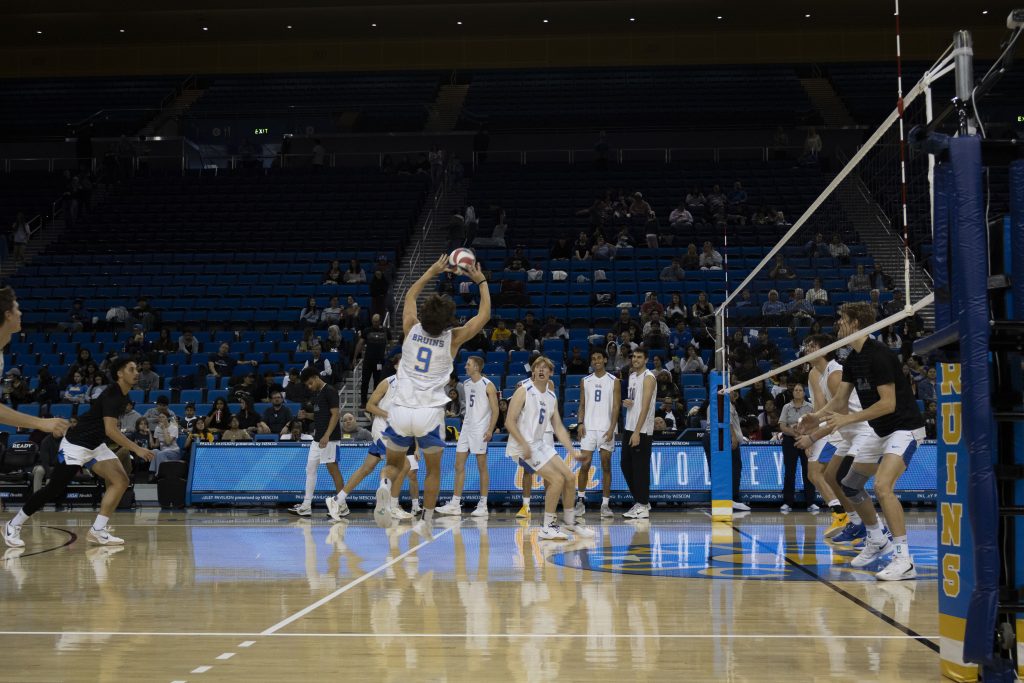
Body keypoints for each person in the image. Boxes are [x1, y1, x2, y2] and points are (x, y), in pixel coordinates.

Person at [802, 303, 926, 580]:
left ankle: (904, 558)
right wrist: (816, 417)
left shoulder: (880, 356)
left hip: (904, 428)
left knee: (882, 487)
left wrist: (846, 420)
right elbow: (840, 400)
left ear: (856, 323)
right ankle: (875, 538)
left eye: (841, 320)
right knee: (850, 484)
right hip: (879, 430)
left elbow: (888, 404)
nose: (838, 324)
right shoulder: (851, 359)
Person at [374, 253, 490, 529]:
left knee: (392, 464)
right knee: (433, 470)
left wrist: (431, 272)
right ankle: (426, 518)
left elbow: (409, 298)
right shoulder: (453, 339)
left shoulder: (411, 328)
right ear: (448, 321)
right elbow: (483, 316)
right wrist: (481, 280)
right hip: (429, 414)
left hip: (400, 410)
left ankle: (386, 490)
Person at [5, 357, 153, 549]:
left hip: (95, 445)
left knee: (121, 480)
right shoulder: (112, 395)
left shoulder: (124, 396)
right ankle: (13, 525)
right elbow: (111, 430)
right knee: (53, 489)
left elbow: (106, 430)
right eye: (132, 369)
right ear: (120, 373)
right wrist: (137, 449)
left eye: (137, 369)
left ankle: (97, 531)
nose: (137, 373)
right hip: (76, 444)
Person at [504, 356, 593, 540]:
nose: (541, 370)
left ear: (551, 373)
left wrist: (572, 452)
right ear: (534, 371)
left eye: (545, 368)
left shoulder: (551, 396)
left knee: (569, 477)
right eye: (538, 367)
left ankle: (569, 524)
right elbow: (509, 422)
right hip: (523, 444)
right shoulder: (524, 390)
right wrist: (522, 444)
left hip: (538, 443)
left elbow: (559, 427)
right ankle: (547, 526)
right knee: (556, 479)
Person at [794, 334, 869, 542]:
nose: (807, 348)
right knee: (829, 476)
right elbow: (824, 410)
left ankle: (876, 530)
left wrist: (812, 435)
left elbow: (839, 415)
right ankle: (855, 523)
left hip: (858, 430)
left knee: (847, 481)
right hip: (844, 431)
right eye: (807, 344)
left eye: (812, 345)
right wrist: (810, 422)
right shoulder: (819, 373)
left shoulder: (835, 374)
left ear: (824, 350)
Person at [332, 376, 413, 521]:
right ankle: (392, 505)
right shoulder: (388, 382)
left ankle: (336, 501)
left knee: (366, 469)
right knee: (404, 465)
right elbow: (369, 406)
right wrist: (389, 415)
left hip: (394, 432)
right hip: (383, 429)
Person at [437, 356, 498, 517]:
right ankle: (455, 504)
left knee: (481, 467)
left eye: (468, 364)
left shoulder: (488, 385)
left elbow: (496, 410)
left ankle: (483, 505)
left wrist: (490, 429)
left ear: (477, 367)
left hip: (480, 429)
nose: (465, 367)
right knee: (458, 465)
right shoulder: (466, 384)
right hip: (466, 428)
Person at [289, 367, 345, 518]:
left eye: (310, 383)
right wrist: (306, 415)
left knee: (333, 470)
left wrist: (327, 435)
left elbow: (335, 415)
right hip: (317, 439)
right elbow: (320, 416)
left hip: (329, 438)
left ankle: (342, 505)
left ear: (316, 377)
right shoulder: (318, 394)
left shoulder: (330, 391)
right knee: (310, 469)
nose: (309, 386)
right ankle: (306, 505)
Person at [575, 349, 621, 518]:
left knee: (606, 465)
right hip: (588, 428)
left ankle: (605, 504)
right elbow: (582, 404)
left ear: (605, 359)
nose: (596, 361)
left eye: (599, 357)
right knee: (585, 465)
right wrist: (580, 422)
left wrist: (612, 428)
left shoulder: (614, 381)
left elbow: (616, 407)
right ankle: (580, 501)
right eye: (593, 358)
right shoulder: (585, 381)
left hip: (606, 429)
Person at [621, 349, 657, 519]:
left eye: (639, 357)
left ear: (646, 359)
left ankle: (642, 505)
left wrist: (637, 432)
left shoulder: (648, 377)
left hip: (641, 430)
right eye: (633, 357)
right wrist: (627, 403)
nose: (635, 359)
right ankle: (642, 501)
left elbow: (646, 406)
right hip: (630, 427)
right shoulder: (632, 376)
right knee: (625, 465)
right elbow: (635, 403)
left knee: (640, 468)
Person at [777, 384, 816, 512]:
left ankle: (811, 502)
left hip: (806, 440)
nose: (798, 392)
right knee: (789, 471)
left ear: (804, 393)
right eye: (796, 390)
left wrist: (804, 435)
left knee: (808, 471)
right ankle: (788, 502)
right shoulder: (786, 407)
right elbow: (782, 426)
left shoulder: (810, 407)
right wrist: (794, 433)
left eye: (800, 390)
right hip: (790, 440)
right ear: (792, 392)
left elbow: (815, 425)